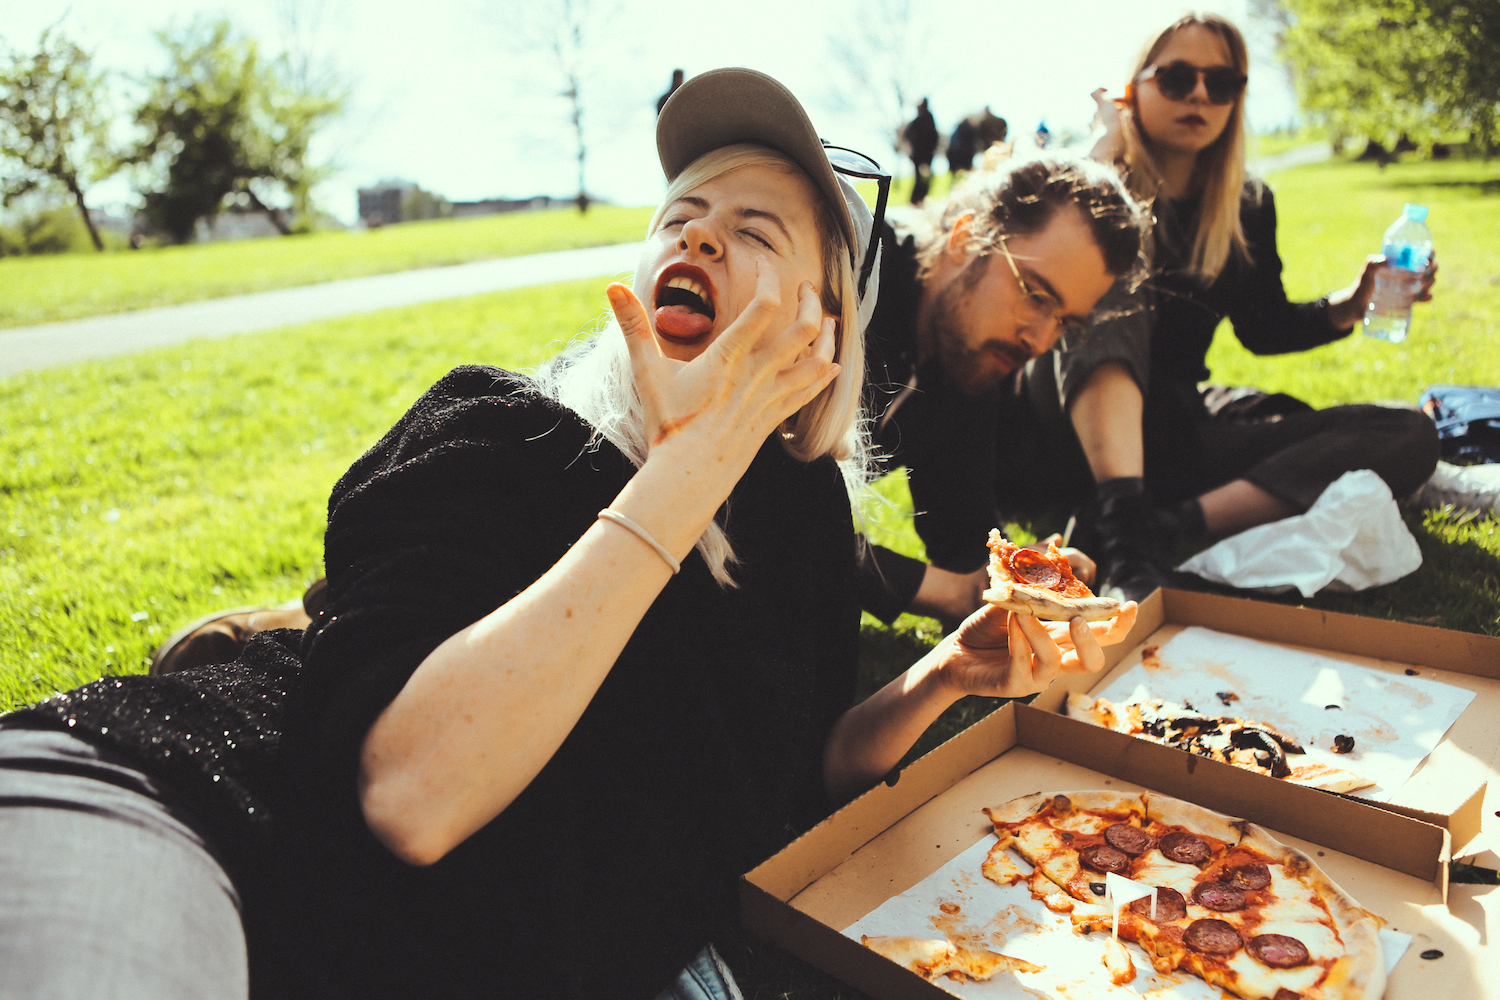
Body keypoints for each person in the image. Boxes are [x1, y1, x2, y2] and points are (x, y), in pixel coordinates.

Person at [0, 67, 1138, 1000]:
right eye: (680, 218)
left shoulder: (802, 516)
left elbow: (808, 765)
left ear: (822, 322)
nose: (700, 238)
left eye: (752, 230)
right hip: (198, 819)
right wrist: (687, 470)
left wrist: (948, 674)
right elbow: (413, 797)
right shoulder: (497, 432)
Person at [1001, 13, 1439, 600]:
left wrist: (1353, 303)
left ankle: (1168, 522)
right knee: (1112, 269)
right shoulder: (1097, 181)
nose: (1201, 96)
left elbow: (1265, 328)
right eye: (1178, 78)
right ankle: (1127, 538)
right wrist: (1104, 147)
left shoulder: (1246, 204)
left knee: (1408, 431)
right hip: (1063, 419)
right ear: (1134, 89)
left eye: (1223, 83)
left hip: (1175, 425)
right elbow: (1028, 265)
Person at [857, 153, 1147, 626]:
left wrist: (1016, 573)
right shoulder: (849, 280)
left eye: (1065, 323)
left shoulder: (968, 357)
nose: (1041, 340)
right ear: (966, 238)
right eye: (1035, 295)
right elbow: (761, 509)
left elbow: (962, 533)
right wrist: (945, 593)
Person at [902, 97, 940, 206]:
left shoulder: (920, 120)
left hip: (920, 154)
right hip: (925, 154)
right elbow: (935, 136)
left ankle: (917, 199)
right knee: (924, 177)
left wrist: (912, 146)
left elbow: (906, 134)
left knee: (920, 177)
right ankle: (919, 198)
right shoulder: (927, 119)